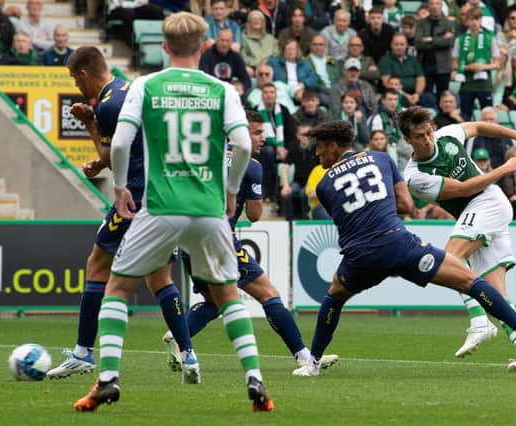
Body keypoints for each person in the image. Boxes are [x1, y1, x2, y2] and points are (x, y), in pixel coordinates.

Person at [73, 13, 274, 412]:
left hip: (161, 205)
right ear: (203, 47)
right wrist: (231, 191)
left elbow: (121, 143)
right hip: (209, 207)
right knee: (229, 293)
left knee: (117, 286)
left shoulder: (147, 85)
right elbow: (246, 147)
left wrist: (120, 189)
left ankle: (108, 380)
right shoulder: (222, 89)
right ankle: (255, 378)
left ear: (163, 47)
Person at [292, 119, 516, 377]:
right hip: (399, 244)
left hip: (361, 255)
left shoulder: (324, 184)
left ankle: (313, 362)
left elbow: (346, 215)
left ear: (334, 146)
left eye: (320, 146)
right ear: (408, 140)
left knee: (334, 296)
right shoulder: (382, 158)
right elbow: (407, 206)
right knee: (469, 279)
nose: (316, 152)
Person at [48, 46, 194, 386]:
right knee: (160, 277)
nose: (76, 86)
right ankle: (188, 354)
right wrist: (99, 162)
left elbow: (115, 158)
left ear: (84, 74)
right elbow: (133, 147)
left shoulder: (110, 105)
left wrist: (88, 124)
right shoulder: (129, 89)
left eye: (74, 79)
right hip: (166, 196)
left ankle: (84, 352)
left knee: (98, 263)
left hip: (135, 197)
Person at [166, 111, 338, 370]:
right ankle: (304, 357)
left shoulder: (203, 156)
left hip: (187, 238)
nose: (263, 138)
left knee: (213, 303)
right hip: (219, 239)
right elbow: (255, 215)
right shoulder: (250, 164)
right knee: (269, 293)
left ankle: (179, 338)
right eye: (256, 132)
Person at [401, 106, 516, 373]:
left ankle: (479, 322)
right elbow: (464, 188)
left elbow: (481, 126)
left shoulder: (448, 135)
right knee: (494, 294)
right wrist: (505, 169)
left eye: (428, 132)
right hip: (477, 207)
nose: (427, 140)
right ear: (407, 140)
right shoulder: (415, 176)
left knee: (449, 258)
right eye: (419, 136)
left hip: (489, 203)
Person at [452, 7, 501, 120]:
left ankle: (487, 138)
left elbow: (497, 64)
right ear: (467, 21)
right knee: (465, 117)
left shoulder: (489, 38)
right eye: (471, 19)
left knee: (488, 117)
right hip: (466, 84)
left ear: (481, 20)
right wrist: (467, 67)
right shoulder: (459, 40)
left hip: (484, 84)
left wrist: (482, 66)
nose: (474, 22)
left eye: (477, 19)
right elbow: (454, 65)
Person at [414, 0, 455, 101]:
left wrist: (430, 39)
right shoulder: (421, 23)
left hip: (443, 66)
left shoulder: (448, 23)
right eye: (432, 3)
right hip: (425, 65)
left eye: (437, 3)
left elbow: (449, 42)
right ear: (428, 6)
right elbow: (418, 43)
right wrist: (440, 39)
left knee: (443, 96)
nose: (434, 6)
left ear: (441, 6)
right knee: (426, 96)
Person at [379, 33, 430, 108]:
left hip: (414, 94)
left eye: (402, 44)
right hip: (396, 94)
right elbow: (387, 84)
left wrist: (417, 94)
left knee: (429, 98)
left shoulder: (413, 60)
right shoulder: (385, 60)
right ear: (391, 45)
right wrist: (406, 95)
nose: (399, 47)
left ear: (407, 46)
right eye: (396, 44)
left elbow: (421, 79)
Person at [267, 38, 319, 103]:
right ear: (284, 51)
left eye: (293, 49)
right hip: (282, 90)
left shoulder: (305, 64)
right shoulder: (274, 62)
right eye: (288, 49)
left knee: (302, 95)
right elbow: (266, 75)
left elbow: (314, 78)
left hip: (299, 89)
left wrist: (304, 83)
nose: (290, 51)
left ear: (297, 51)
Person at [305, 34, 340, 107]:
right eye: (315, 44)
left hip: (335, 90)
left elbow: (338, 78)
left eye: (321, 44)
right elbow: (313, 82)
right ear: (310, 46)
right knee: (329, 101)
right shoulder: (305, 61)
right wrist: (329, 91)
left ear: (325, 46)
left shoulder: (332, 60)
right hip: (318, 92)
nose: (318, 47)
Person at [241, 9, 277, 76]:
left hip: (270, 70)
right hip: (252, 70)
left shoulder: (270, 38)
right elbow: (243, 56)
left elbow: (276, 55)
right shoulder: (243, 38)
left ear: (263, 22)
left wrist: (266, 63)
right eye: (254, 19)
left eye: (259, 19)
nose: (256, 21)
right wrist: (258, 62)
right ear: (249, 22)